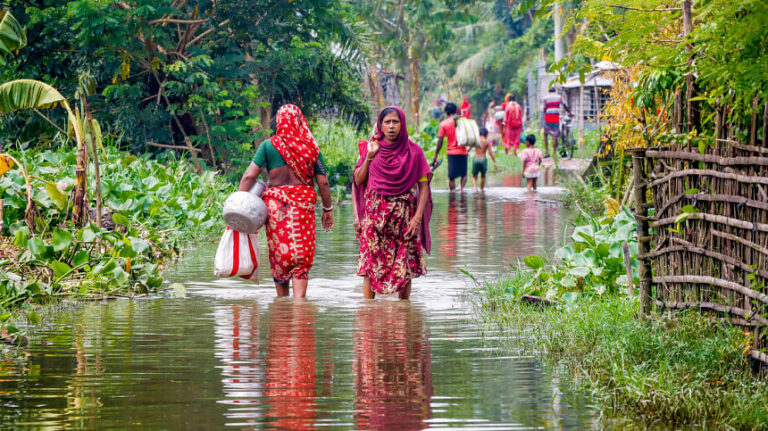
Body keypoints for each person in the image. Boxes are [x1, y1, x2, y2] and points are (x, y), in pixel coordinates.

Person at [238, 104, 334, 298]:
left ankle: (282, 306)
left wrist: (238, 203)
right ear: (300, 122)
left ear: (278, 122)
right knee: (301, 262)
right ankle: (299, 305)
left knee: (280, 259)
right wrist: (327, 210)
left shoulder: (268, 146)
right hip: (303, 210)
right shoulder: (312, 148)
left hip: (276, 210)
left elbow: (249, 177)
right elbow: (323, 182)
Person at [354, 106, 433, 300]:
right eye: (387, 122)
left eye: (395, 122)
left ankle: (404, 309)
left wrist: (417, 218)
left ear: (402, 124)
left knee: (404, 265)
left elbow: (423, 187)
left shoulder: (414, 152)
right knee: (370, 264)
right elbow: (358, 180)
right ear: (380, 125)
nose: (391, 127)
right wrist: (369, 158)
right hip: (374, 219)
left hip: (404, 219)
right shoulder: (372, 148)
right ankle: (368, 308)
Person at [432, 102, 469, 191]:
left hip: (451, 152)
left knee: (451, 177)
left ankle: (452, 194)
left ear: (446, 112)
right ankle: (461, 191)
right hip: (463, 151)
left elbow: (440, 141)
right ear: (456, 111)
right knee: (464, 175)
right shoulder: (462, 121)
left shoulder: (444, 124)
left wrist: (436, 154)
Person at [541, 87, 572, 158]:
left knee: (545, 134)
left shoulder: (545, 98)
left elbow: (544, 108)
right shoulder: (559, 97)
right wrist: (569, 112)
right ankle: (554, 153)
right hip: (555, 117)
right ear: (555, 91)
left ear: (549, 91)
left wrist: (545, 111)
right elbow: (564, 105)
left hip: (548, 117)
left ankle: (547, 152)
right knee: (555, 135)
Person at [471, 128, 498, 192]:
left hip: (476, 158)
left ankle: (474, 188)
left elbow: (468, 149)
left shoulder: (476, 141)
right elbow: (490, 153)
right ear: (486, 135)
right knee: (483, 176)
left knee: (474, 176)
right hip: (483, 159)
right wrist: (494, 162)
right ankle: (481, 190)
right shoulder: (486, 142)